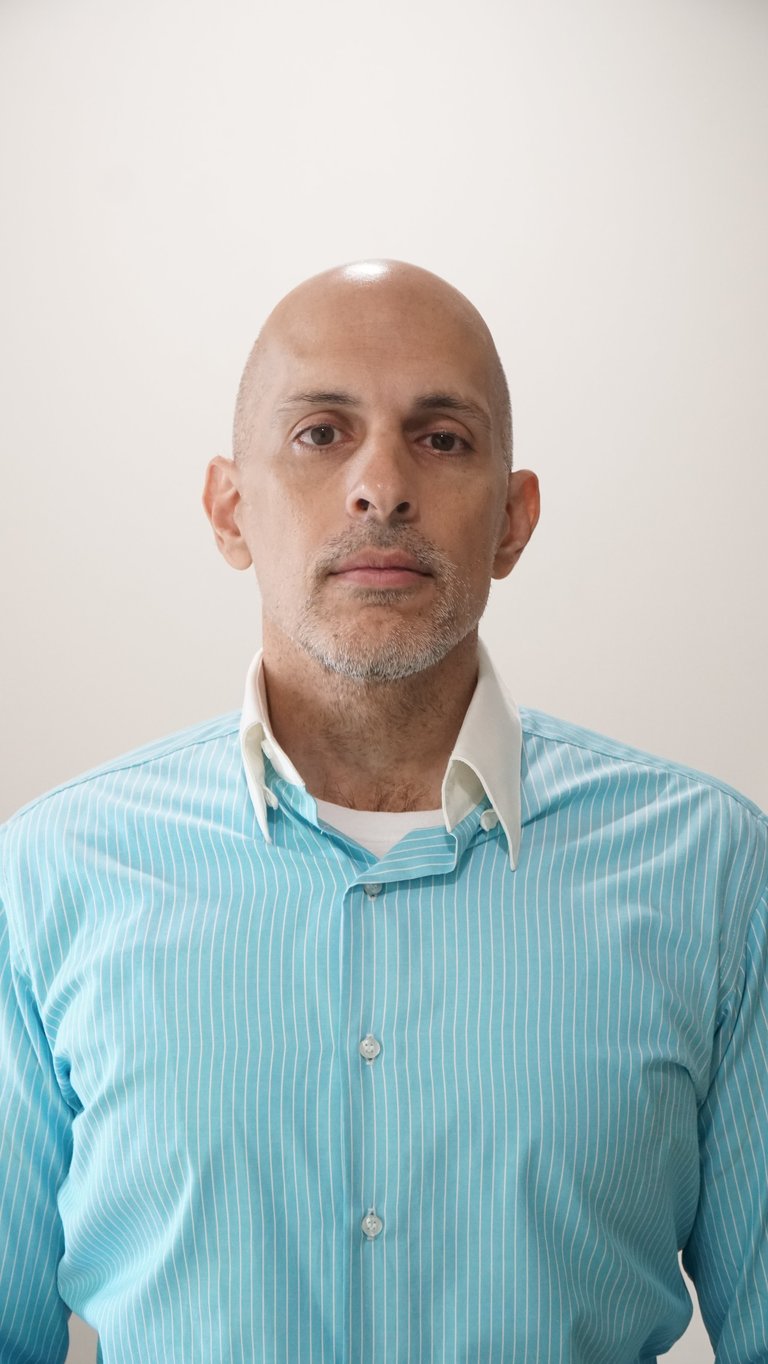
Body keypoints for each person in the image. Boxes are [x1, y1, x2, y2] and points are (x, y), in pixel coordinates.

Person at [0, 259, 765, 1364]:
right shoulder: (45, 878)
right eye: (320, 433)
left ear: (513, 518)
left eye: (441, 437)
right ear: (229, 508)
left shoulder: (718, 876)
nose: (381, 486)